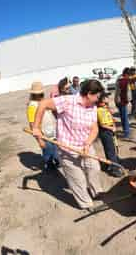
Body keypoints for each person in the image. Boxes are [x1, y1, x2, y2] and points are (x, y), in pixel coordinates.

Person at [32, 79, 104, 211]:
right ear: (89, 94)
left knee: (94, 168)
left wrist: (88, 144)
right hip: (67, 149)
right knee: (78, 180)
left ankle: (97, 192)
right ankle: (87, 204)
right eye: (97, 96)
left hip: (86, 147)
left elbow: (94, 129)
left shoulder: (92, 107)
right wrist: (36, 127)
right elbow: (43, 104)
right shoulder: (68, 101)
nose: (98, 99)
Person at [27, 81, 59, 170]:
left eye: (40, 93)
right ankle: (48, 165)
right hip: (43, 134)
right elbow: (32, 124)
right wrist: (39, 140)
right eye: (37, 93)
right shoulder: (32, 106)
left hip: (52, 133)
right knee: (48, 151)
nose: (39, 95)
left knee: (55, 150)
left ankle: (55, 162)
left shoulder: (44, 102)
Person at [97, 91, 124, 177]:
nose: (108, 99)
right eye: (106, 98)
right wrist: (111, 128)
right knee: (110, 150)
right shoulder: (99, 110)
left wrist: (113, 119)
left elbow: (109, 118)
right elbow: (102, 124)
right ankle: (115, 169)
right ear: (102, 100)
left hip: (110, 130)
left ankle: (113, 163)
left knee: (113, 148)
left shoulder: (105, 108)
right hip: (106, 132)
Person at [115, 68, 132, 138]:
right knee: (124, 117)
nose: (129, 76)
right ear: (126, 74)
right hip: (121, 101)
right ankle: (126, 132)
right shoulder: (122, 80)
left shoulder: (120, 79)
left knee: (123, 116)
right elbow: (119, 92)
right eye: (129, 74)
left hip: (121, 101)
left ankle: (126, 131)